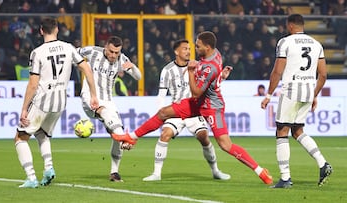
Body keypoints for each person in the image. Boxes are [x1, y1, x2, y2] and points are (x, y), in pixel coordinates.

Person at [112, 31, 273, 185]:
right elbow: (208, 84)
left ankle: (259, 170)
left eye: (198, 46)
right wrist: (221, 77)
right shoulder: (215, 53)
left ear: (207, 47)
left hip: (211, 107)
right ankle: (131, 137)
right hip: (198, 103)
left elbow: (195, 92)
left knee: (225, 145)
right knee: (163, 113)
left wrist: (190, 71)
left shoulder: (210, 67)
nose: (195, 49)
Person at [14, 17, 98, 188]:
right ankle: (48, 169)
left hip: (43, 100)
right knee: (42, 134)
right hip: (60, 101)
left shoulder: (38, 52)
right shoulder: (69, 47)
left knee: (20, 138)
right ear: (57, 29)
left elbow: (33, 84)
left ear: (41, 31)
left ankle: (31, 178)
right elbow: (87, 69)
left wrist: (24, 109)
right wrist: (94, 95)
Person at [261, 14, 333, 188]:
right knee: (297, 130)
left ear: (290, 25)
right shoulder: (316, 44)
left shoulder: (285, 42)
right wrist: (314, 94)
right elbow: (323, 75)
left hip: (291, 90)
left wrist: (269, 95)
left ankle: (285, 178)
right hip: (308, 91)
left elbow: (277, 71)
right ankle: (323, 163)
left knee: (282, 130)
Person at [143, 39, 230, 181]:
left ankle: (216, 171)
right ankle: (156, 173)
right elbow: (161, 95)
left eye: (190, 48)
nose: (189, 51)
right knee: (165, 135)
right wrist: (161, 114)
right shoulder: (167, 70)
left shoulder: (198, 65)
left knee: (204, 137)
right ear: (176, 52)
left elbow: (209, 84)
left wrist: (222, 78)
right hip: (176, 111)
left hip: (194, 110)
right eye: (185, 49)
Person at [77, 36, 141, 182]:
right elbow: (72, 53)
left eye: (116, 53)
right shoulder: (92, 52)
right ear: (105, 47)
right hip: (89, 96)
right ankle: (123, 139)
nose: (113, 55)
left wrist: (132, 67)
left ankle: (114, 172)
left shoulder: (121, 59)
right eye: (111, 51)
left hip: (108, 100)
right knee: (106, 114)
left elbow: (138, 77)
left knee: (118, 131)